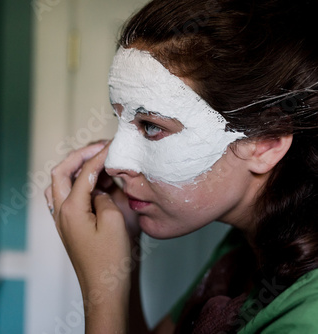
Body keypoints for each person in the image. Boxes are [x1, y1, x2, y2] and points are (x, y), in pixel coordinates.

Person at [44, 0, 318, 332]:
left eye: (151, 126)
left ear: (266, 143)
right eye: (121, 120)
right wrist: (122, 245)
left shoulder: (307, 317)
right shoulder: (247, 244)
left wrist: (102, 289)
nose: (115, 163)